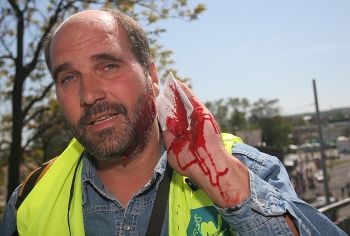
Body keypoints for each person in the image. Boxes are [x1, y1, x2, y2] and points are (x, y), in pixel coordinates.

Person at [0, 9, 346, 236]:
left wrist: (227, 185)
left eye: (108, 66)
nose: (89, 95)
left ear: (151, 75)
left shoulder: (247, 169)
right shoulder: (29, 201)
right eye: (69, 77)